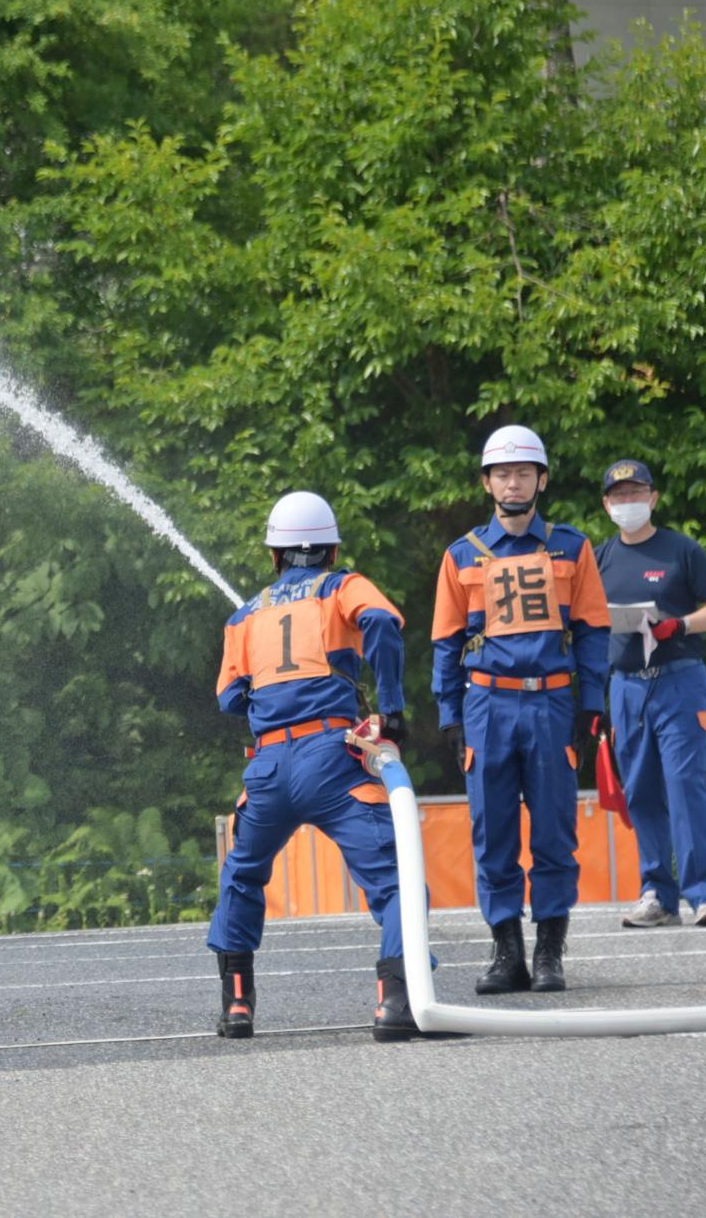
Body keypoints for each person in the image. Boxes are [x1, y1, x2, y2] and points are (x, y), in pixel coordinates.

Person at [209, 491, 421, 1042]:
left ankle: (236, 1005)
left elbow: (230, 698)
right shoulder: (343, 587)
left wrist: (272, 694)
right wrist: (391, 712)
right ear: (330, 551)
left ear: (275, 556)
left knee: (243, 875)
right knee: (396, 882)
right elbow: (381, 622)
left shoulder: (246, 614)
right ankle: (396, 1002)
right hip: (333, 757)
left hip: (270, 767)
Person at [432, 426, 611, 994]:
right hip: (485, 702)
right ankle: (506, 950)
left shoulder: (573, 547)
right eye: (503, 473)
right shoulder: (460, 555)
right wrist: (450, 717)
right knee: (493, 833)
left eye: (524, 472)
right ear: (487, 482)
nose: (513, 482)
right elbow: (445, 640)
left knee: (556, 831)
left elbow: (593, 631)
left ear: (542, 479)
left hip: (552, 701)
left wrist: (593, 708)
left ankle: (550, 952)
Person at [595, 460, 706, 928]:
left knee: (685, 783)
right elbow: (588, 627)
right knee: (640, 791)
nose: (627, 502)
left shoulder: (681, 549)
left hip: (678, 677)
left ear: (653, 498)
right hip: (625, 686)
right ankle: (656, 892)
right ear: (606, 504)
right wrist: (596, 697)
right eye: (619, 496)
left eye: (636, 493)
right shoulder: (599, 558)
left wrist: (681, 624)